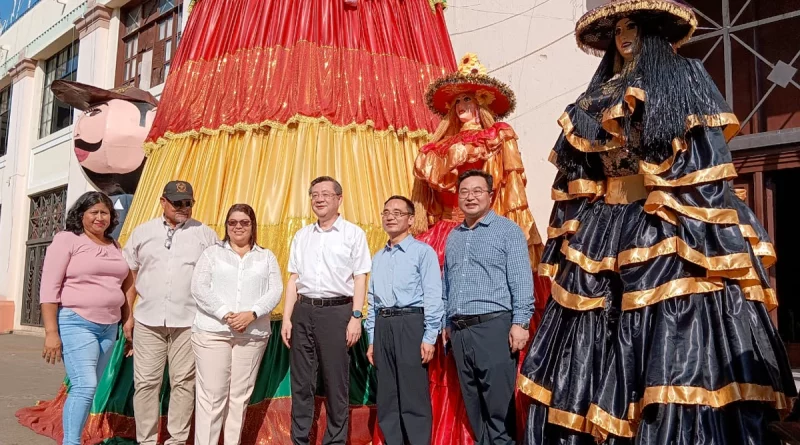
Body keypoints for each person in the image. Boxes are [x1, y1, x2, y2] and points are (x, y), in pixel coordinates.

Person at [517, 1, 796, 444]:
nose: (624, 36)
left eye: (635, 27)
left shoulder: (684, 77)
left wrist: (665, 184)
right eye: (618, 30)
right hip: (604, 226)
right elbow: (578, 172)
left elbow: (705, 152)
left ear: (655, 34)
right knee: (594, 322)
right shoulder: (595, 97)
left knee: (671, 319)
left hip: (665, 215)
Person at [410, 53, 548, 444]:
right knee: (469, 394)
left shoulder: (497, 138)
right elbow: (428, 204)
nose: (463, 108)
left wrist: (519, 322)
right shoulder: (435, 151)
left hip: (494, 322)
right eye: (457, 102)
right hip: (457, 305)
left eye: (469, 100)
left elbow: (512, 188)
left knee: (497, 401)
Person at [122, 180, 219, 445]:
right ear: (163, 202)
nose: (183, 208)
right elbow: (130, 276)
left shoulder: (206, 235)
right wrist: (128, 315)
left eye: (188, 203)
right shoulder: (142, 233)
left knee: (184, 384)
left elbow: (218, 277)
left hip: (188, 322)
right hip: (147, 320)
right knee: (145, 384)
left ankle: (176, 441)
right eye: (177, 202)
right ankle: (147, 440)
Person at [442, 169, 534, 444]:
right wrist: (447, 324)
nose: (470, 197)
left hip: (493, 327)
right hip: (460, 331)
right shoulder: (454, 236)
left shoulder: (507, 231)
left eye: (477, 191)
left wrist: (520, 323)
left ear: (490, 196)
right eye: (464, 192)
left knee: (498, 407)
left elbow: (521, 279)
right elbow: (447, 284)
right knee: (473, 405)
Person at [281, 176, 372, 445]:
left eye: (325, 194)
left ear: (339, 199)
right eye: (314, 195)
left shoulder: (353, 234)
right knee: (301, 383)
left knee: (335, 382)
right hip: (303, 310)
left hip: (337, 312)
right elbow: (293, 279)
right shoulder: (302, 235)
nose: (319, 199)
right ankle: (300, 440)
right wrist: (287, 318)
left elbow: (360, 278)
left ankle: (334, 441)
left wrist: (356, 317)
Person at [39, 191, 133, 445]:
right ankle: (71, 442)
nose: (100, 218)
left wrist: (127, 319)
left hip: (109, 327)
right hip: (76, 322)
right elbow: (49, 288)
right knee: (85, 385)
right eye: (94, 212)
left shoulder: (114, 245)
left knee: (87, 390)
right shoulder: (67, 240)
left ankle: (73, 437)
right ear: (81, 215)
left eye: (105, 212)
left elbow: (125, 284)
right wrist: (51, 333)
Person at [191, 203, 283, 445]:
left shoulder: (266, 256)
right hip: (213, 333)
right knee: (212, 397)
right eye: (233, 223)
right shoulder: (211, 254)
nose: (238, 227)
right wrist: (225, 314)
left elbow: (275, 290)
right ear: (226, 226)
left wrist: (252, 313)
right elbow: (199, 288)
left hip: (252, 335)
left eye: (244, 222)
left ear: (253, 226)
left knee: (239, 397)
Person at [365, 195, 443, 445]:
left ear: (410, 219)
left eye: (398, 213)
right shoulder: (378, 257)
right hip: (383, 325)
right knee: (387, 394)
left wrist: (430, 336)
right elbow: (372, 301)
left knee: (412, 393)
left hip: (411, 323)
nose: (390, 216)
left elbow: (433, 295)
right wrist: (371, 340)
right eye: (386, 212)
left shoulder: (422, 252)